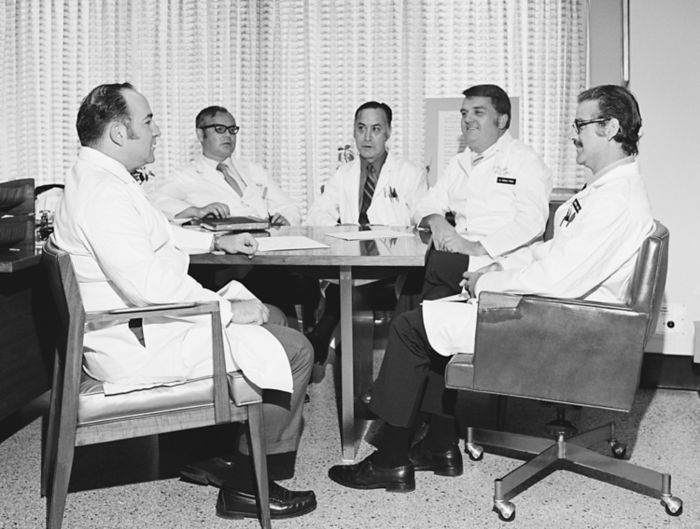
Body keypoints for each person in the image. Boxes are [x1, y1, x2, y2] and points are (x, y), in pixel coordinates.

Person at [328, 84, 654, 493]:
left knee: (413, 327)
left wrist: (488, 278)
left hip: (563, 326)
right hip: (555, 307)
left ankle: (393, 458)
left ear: (610, 127)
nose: (574, 134)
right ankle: (435, 445)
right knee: (423, 317)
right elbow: (554, 255)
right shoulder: (607, 190)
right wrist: (496, 270)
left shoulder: (611, 198)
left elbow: (553, 272)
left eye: (581, 125)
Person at [52, 83, 316, 520]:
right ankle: (247, 487)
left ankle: (227, 455)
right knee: (295, 350)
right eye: (148, 121)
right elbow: (150, 290)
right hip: (138, 345)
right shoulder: (103, 194)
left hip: (136, 326)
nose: (156, 132)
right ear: (119, 133)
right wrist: (230, 310)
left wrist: (215, 239)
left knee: (278, 316)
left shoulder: (98, 178)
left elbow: (159, 231)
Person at [304, 101, 426, 362]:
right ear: (354, 131)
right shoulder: (343, 174)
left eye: (376, 129)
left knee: (347, 291)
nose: (367, 137)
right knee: (344, 284)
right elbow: (317, 215)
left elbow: (422, 220)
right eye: (361, 129)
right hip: (351, 261)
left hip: (392, 267)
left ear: (389, 132)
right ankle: (341, 369)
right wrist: (339, 230)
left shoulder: (410, 173)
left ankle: (322, 335)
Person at [414, 84, 553, 301]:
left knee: (430, 267)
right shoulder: (458, 163)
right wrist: (437, 222)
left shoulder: (524, 160)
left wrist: (477, 247)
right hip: (458, 259)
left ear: (502, 120)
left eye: (478, 112)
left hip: (501, 262)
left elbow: (531, 222)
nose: (467, 119)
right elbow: (425, 203)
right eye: (464, 113)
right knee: (420, 302)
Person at [149, 105, 301, 226]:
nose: (228, 135)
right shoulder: (186, 175)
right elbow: (156, 202)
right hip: (226, 255)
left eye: (232, 130)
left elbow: (289, 207)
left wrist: (286, 219)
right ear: (201, 135)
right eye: (220, 129)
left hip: (266, 245)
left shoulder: (253, 170)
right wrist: (197, 211)